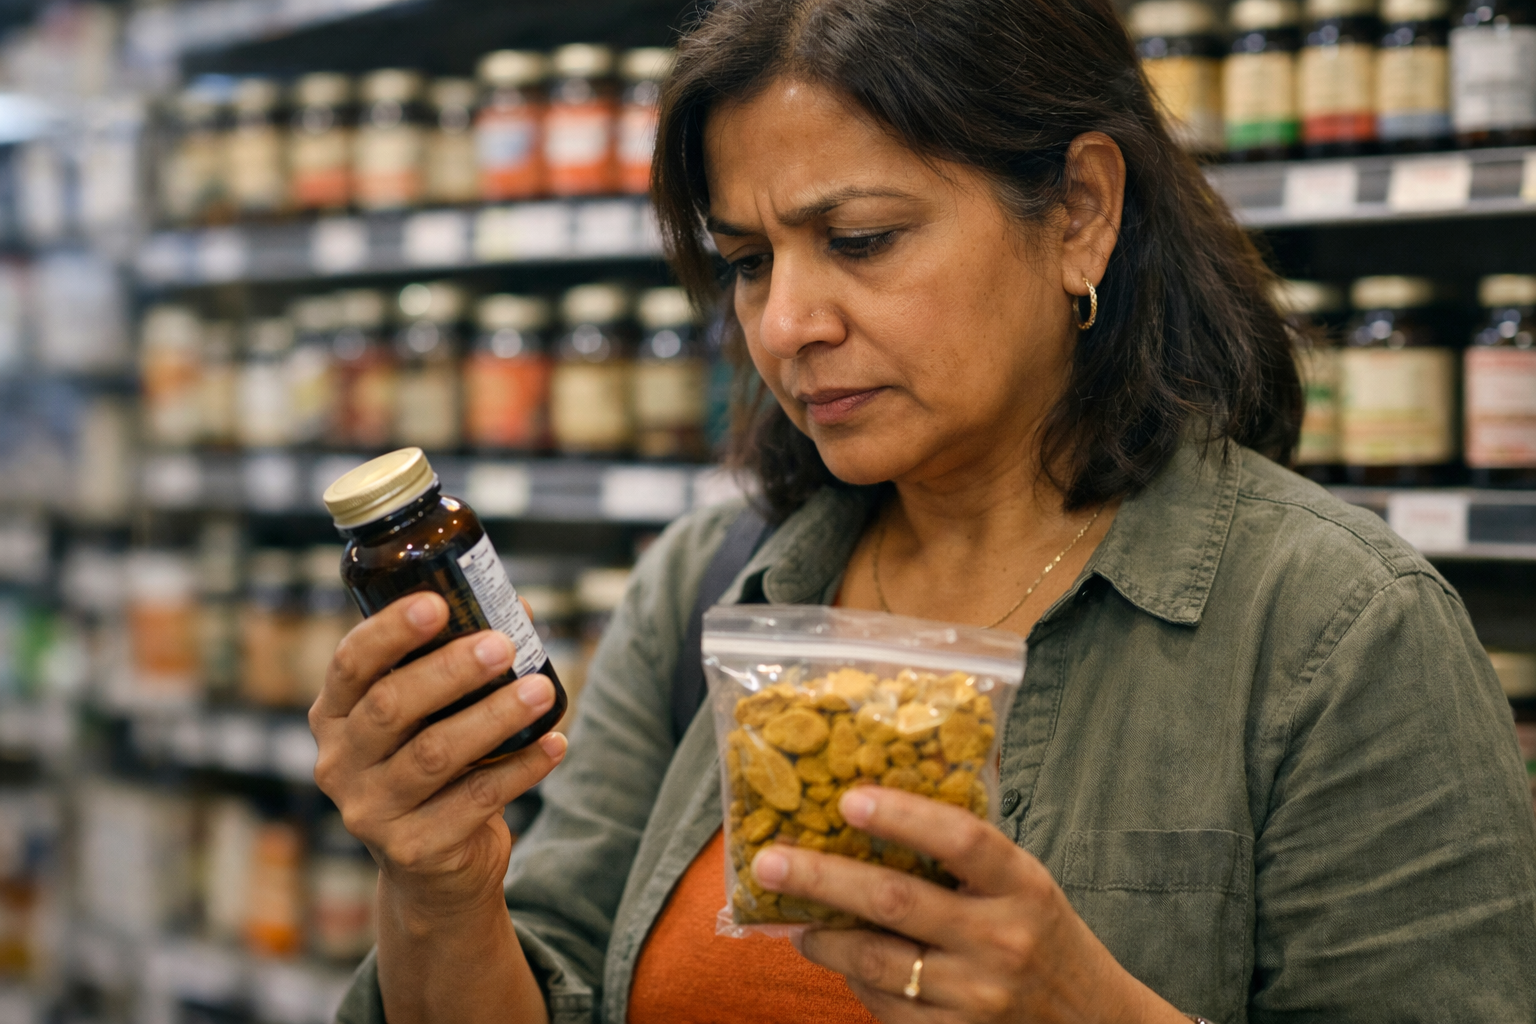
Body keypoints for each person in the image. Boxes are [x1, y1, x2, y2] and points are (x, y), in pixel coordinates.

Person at [317, 1, 1536, 1021]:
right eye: (747, 261)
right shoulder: (707, 588)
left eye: (861, 238)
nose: (786, 323)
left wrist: (1088, 1009)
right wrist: (439, 889)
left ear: (1079, 214)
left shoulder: (1339, 637)